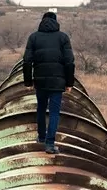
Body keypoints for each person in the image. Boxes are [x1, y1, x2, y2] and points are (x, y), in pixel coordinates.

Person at [23, 11, 75, 154]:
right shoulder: (63, 38)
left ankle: (41, 137)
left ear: (42, 21)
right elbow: (69, 62)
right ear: (56, 21)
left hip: (40, 81)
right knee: (54, 112)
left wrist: (28, 82)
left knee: (41, 109)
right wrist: (69, 83)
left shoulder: (33, 37)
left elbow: (27, 61)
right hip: (58, 82)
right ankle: (50, 144)